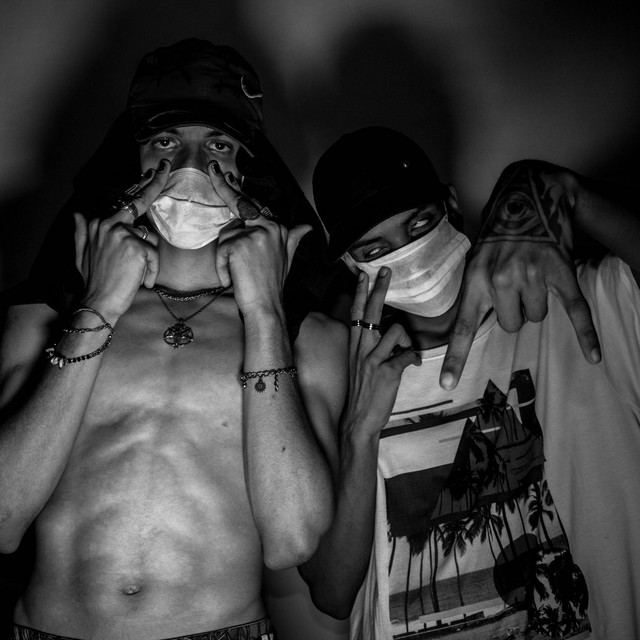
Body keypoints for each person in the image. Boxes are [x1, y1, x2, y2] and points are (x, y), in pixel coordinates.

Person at [0, 39, 348, 640]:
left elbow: (292, 538)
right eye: (165, 142)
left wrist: (264, 311)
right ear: (133, 159)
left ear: (247, 167)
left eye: (218, 144)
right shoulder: (41, 318)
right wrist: (100, 305)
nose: (190, 165)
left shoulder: (307, 336)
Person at [300, 126, 640, 640]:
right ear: (350, 265)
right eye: (374, 249)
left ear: (452, 207)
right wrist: (359, 432)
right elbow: (331, 593)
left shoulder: (577, 306)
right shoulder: (341, 369)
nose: (408, 255)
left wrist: (560, 189)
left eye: (419, 223)